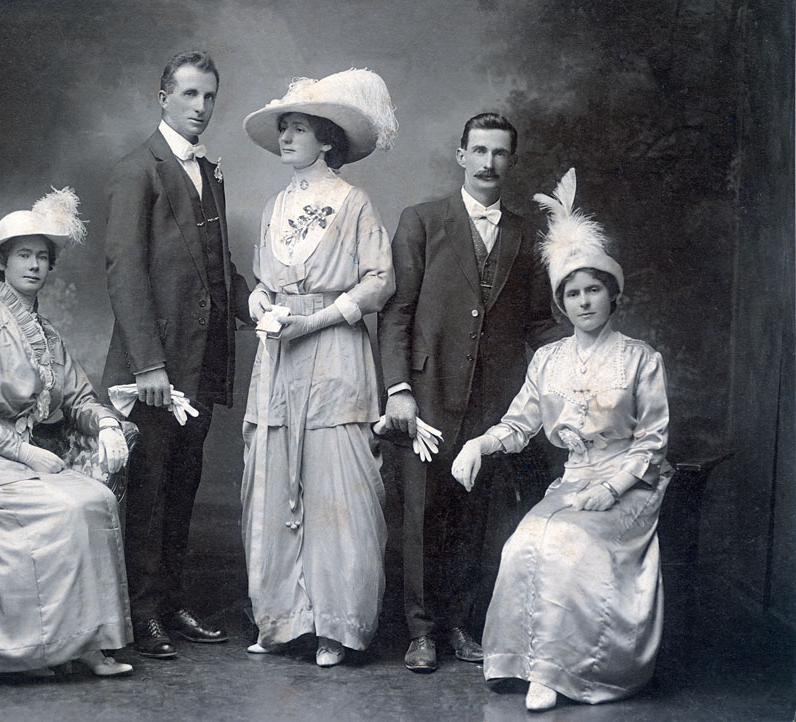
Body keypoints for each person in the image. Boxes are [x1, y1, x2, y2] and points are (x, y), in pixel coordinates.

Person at [452, 168, 673, 711]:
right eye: (572, 293)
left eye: (593, 289)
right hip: (573, 481)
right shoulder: (548, 360)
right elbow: (521, 423)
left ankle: (566, 672)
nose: (583, 301)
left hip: (631, 485)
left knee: (571, 543)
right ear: (561, 302)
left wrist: (616, 487)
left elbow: (653, 440)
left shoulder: (641, 358)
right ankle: (521, 664)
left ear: (612, 295)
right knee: (526, 542)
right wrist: (479, 443)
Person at [377, 113, 559, 673]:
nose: (487, 163)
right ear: (460, 156)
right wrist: (399, 390)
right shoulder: (422, 221)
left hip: (495, 400)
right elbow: (396, 314)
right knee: (422, 514)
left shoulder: (527, 233)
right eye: (478, 151)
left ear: (511, 161)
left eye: (499, 153)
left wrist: (587, 354)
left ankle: (460, 623)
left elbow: (538, 324)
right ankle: (420, 632)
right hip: (428, 396)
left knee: (476, 515)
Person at [0, 188, 133, 677]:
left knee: (96, 501)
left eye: (43, 257)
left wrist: (106, 421)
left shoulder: (49, 338)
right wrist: (24, 453)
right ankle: (22, 650)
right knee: (68, 506)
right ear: (2, 262)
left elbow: (78, 400)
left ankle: (85, 643)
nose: (35, 265)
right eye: (24, 254)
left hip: (21, 462)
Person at [239, 69, 398, 667]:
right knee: (273, 475)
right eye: (282, 128)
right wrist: (259, 302)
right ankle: (281, 620)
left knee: (336, 483)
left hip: (332, 350)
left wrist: (320, 317)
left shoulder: (355, 203)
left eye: (297, 128)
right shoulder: (275, 205)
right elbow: (262, 280)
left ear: (326, 139)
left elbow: (379, 280)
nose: (285, 137)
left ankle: (336, 625)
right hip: (278, 354)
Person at [101, 50, 251, 659]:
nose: (201, 108)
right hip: (156, 371)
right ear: (163, 97)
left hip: (200, 361)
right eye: (190, 95)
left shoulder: (208, 172)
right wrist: (148, 368)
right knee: (150, 492)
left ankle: (169, 601)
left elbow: (218, 268)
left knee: (183, 489)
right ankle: (141, 613)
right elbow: (124, 270)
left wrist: (256, 302)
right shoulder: (138, 169)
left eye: (210, 97)